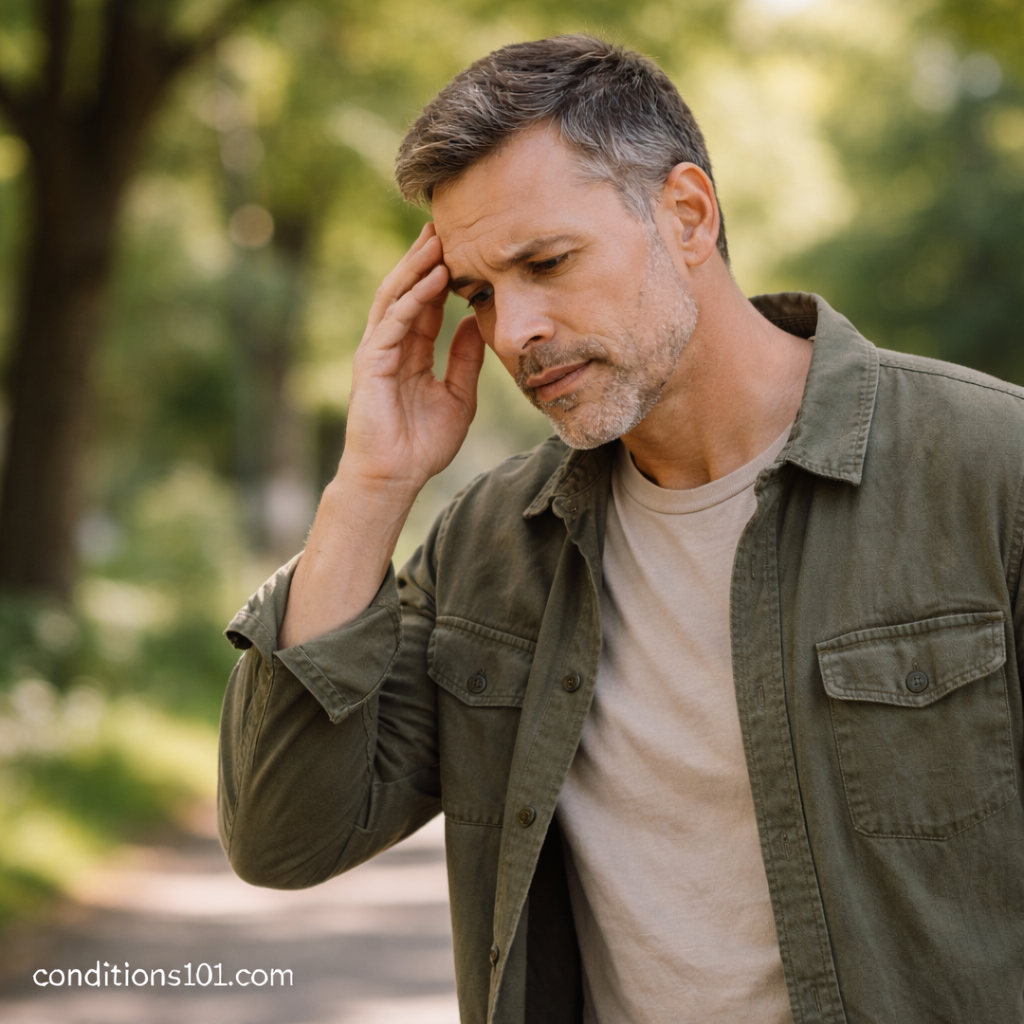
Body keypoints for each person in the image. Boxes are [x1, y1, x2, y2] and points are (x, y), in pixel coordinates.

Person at [217, 35, 1024, 1024]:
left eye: (546, 262)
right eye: (477, 292)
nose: (513, 332)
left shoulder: (992, 473)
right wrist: (372, 481)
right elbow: (282, 836)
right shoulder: (491, 546)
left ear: (686, 213)